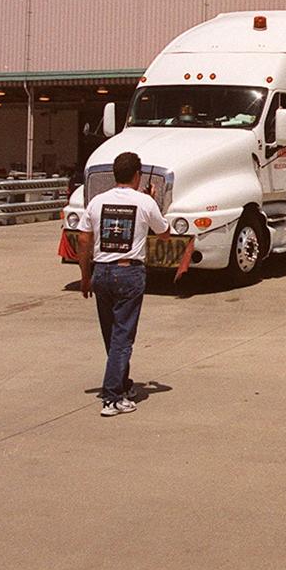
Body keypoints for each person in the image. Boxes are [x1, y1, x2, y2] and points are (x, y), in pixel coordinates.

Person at [77, 151, 170, 417]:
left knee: (112, 335)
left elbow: (84, 240)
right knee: (123, 337)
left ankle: (123, 383)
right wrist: (152, 203)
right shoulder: (145, 202)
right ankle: (112, 397)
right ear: (137, 175)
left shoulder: (97, 202)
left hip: (102, 272)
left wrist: (85, 276)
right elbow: (164, 234)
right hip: (129, 273)